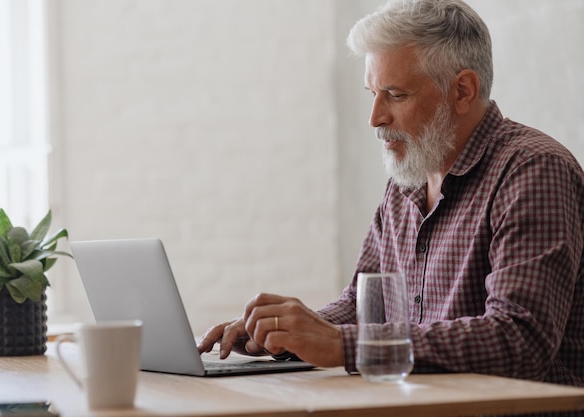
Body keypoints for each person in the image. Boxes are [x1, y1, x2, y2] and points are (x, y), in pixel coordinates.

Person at [197, 0, 584, 396]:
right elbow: (365, 306)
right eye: (372, 93)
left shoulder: (533, 169)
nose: (375, 117)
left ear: (463, 91)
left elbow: (519, 338)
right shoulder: (407, 180)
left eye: (395, 95)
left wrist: (340, 345)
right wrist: (286, 333)